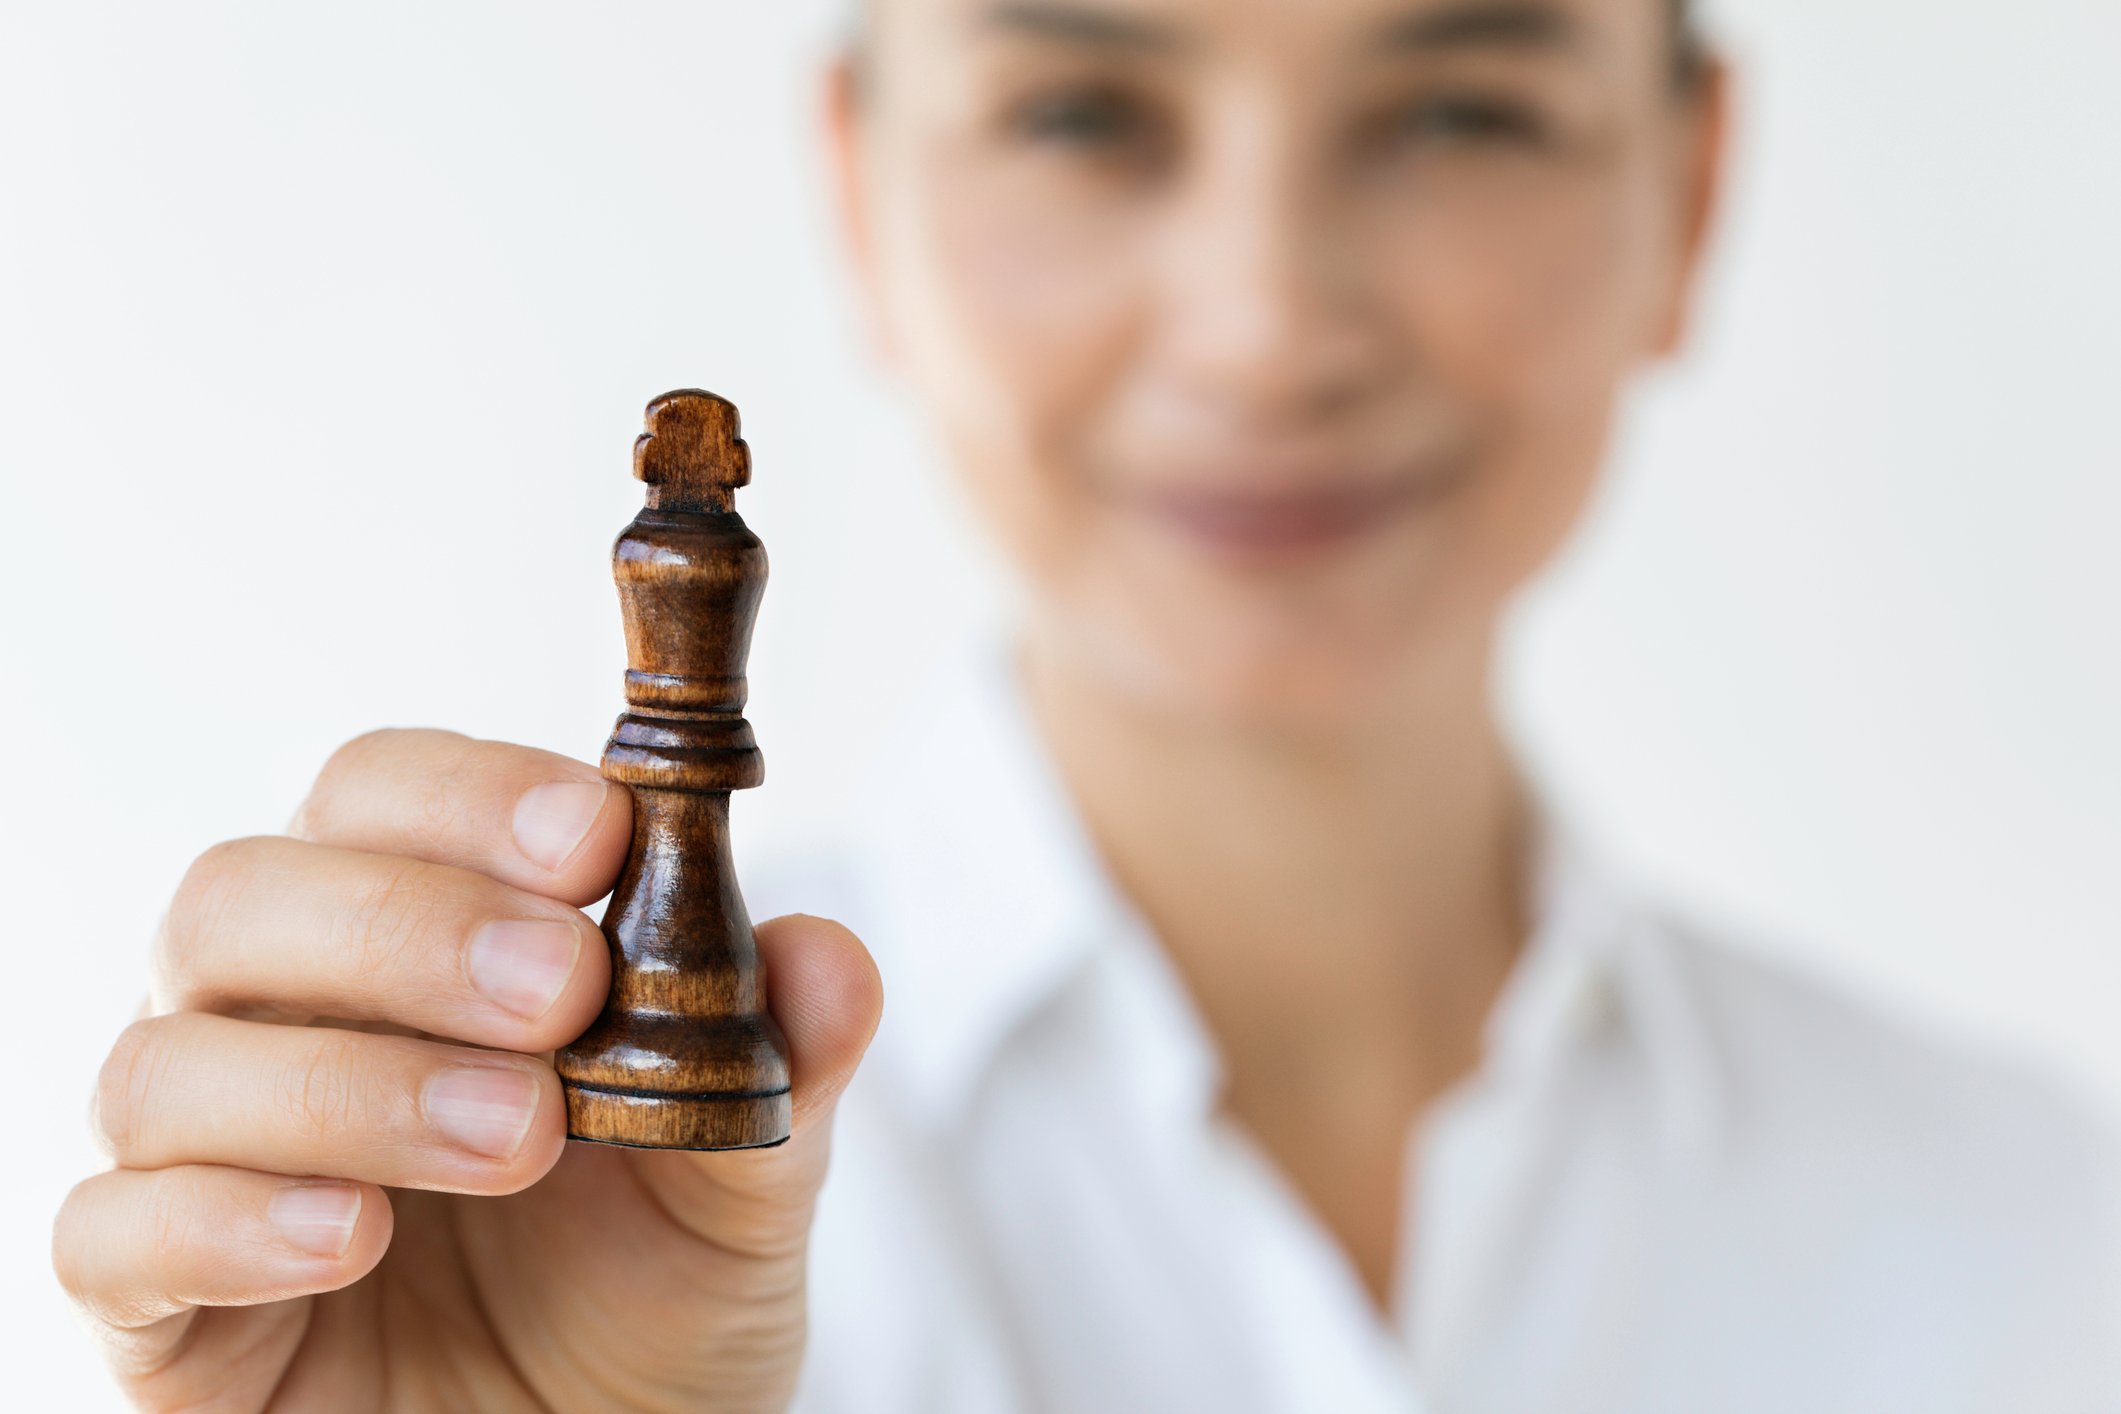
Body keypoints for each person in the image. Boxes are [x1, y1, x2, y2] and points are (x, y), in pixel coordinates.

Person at [52, 0, 2121, 1410]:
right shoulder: (504, 1227)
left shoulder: (2028, 1236)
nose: (1264, 324)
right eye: (1079, 110)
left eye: (1460, 106)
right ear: (863, 199)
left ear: (1683, 189)